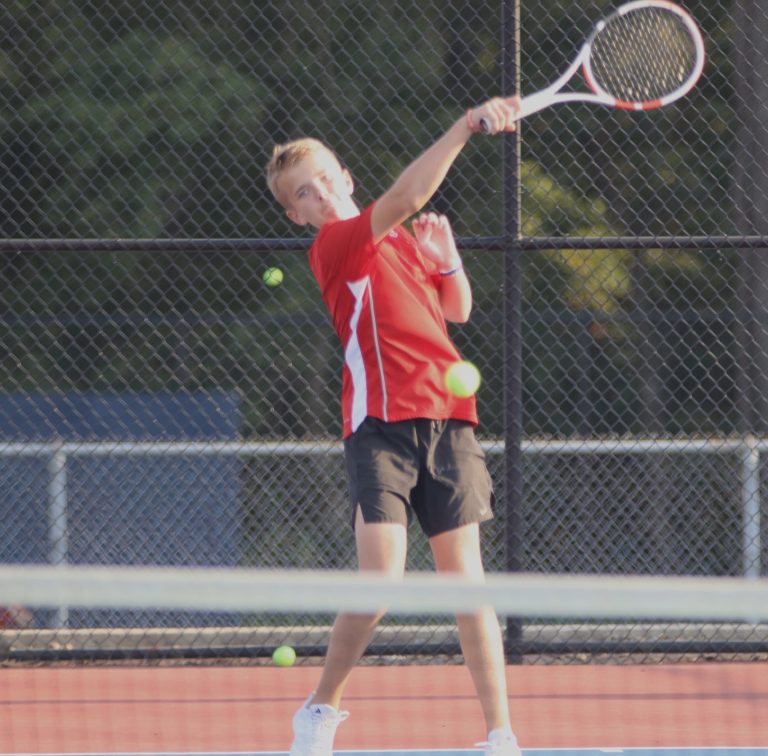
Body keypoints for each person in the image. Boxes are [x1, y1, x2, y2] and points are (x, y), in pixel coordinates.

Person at [265, 96, 522, 756]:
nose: (320, 193)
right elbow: (408, 194)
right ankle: (320, 709)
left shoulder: (402, 242)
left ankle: (500, 735)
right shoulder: (336, 245)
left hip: (449, 422)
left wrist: (449, 258)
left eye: (325, 178)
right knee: (380, 582)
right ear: (297, 214)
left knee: (469, 586)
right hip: (379, 427)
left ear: (345, 177)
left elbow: (455, 309)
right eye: (304, 193)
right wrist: (464, 125)